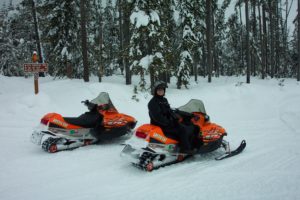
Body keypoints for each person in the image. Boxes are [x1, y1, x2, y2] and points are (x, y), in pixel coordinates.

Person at [148, 81, 195, 154]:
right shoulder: (153, 102)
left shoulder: (164, 100)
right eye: (159, 90)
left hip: (166, 123)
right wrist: (169, 123)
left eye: (162, 90)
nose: (161, 91)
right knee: (182, 129)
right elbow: (158, 117)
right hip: (161, 125)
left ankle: (178, 144)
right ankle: (185, 149)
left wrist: (182, 114)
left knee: (182, 124)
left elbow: (169, 110)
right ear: (155, 91)